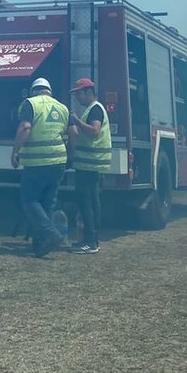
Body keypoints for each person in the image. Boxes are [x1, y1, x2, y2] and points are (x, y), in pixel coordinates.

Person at [10, 77, 69, 258]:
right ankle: (40, 243)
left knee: (30, 200)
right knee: (47, 203)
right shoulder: (62, 107)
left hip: (37, 163)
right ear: (49, 91)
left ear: (33, 91)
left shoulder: (30, 104)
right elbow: (72, 132)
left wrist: (15, 150)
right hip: (58, 162)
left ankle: (50, 234)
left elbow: (26, 127)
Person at [67, 77, 110, 254]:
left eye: (79, 94)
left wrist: (76, 120)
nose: (77, 97)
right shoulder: (92, 109)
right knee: (90, 202)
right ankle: (90, 240)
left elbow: (94, 131)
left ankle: (90, 242)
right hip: (89, 164)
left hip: (90, 164)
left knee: (87, 203)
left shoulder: (95, 110)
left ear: (89, 92)